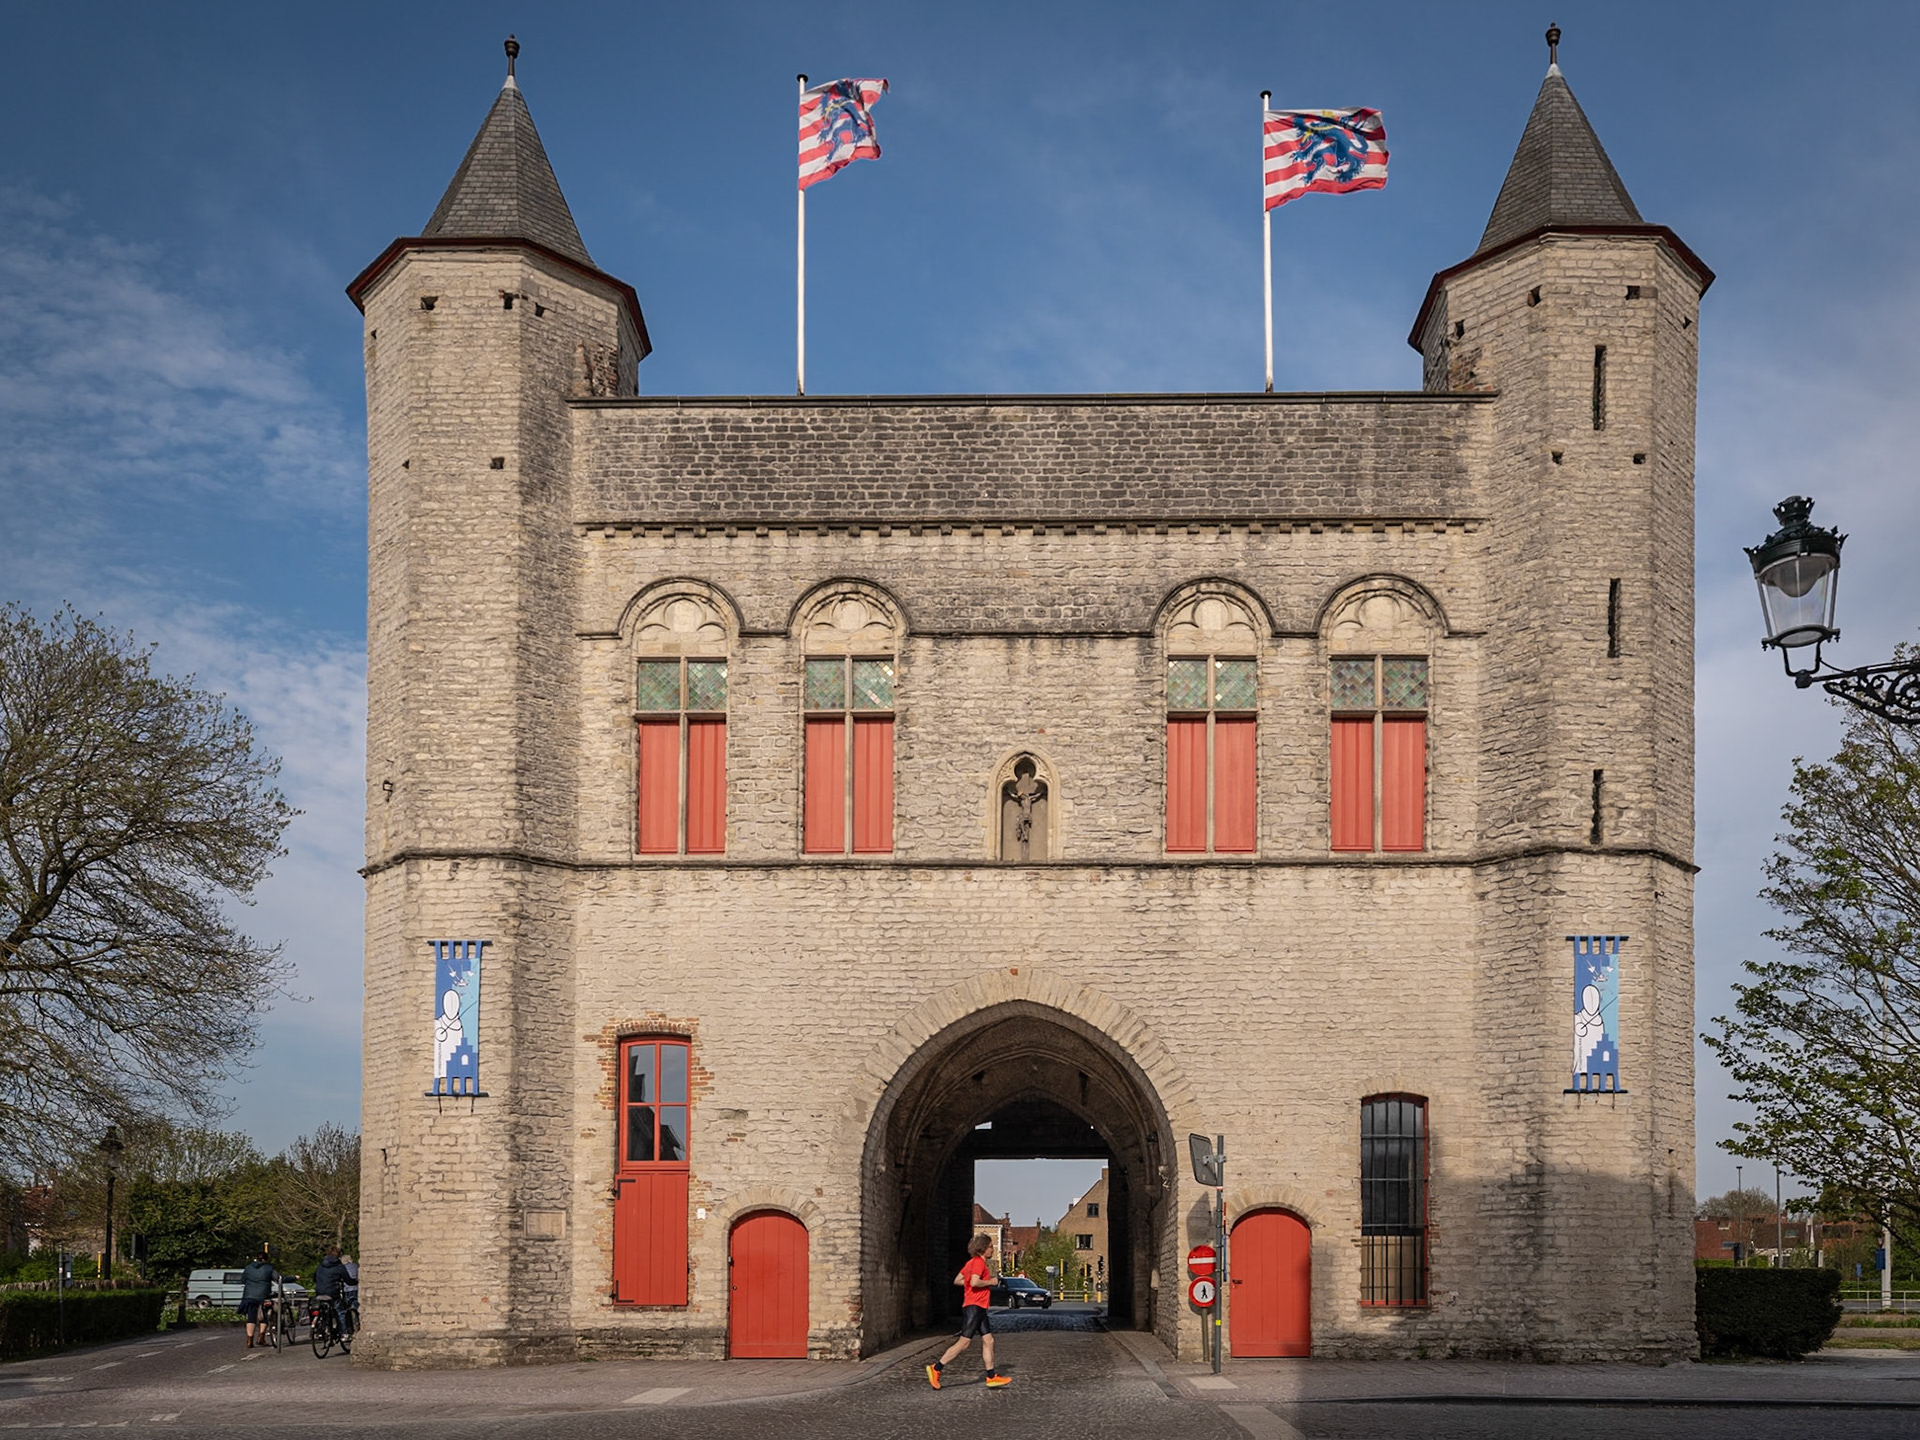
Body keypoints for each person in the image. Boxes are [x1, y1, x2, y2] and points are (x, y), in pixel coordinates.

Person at [926, 1234, 1010, 1389]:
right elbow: (975, 1282)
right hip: (974, 1307)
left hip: (979, 1307)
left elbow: (958, 1280)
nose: (992, 1249)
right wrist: (990, 1282)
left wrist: (971, 1283)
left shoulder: (970, 1263)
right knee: (964, 1343)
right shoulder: (978, 1263)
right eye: (991, 1246)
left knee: (989, 1340)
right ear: (983, 1249)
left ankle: (991, 1376)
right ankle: (936, 1368)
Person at [238, 1247, 278, 1349]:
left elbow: (243, 1280)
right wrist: (293, 1278)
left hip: (249, 1296)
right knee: (263, 1316)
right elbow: (278, 1278)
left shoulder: (248, 1268)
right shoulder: (269, 1268)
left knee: (251, 1317)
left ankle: (249, 1339)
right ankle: (261, 1338)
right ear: (266, 1259)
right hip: (263, 1295)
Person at [313, 1246, 355, 1338]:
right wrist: (357, 1282)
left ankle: (323, 1327)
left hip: (319, 1292)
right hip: (332, 1293)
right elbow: (348, 1280)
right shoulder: (339, 1266)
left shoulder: (320, 1265)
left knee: (323, 1310)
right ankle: (344, 1333)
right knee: (340, 1311)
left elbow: (314, 1277)